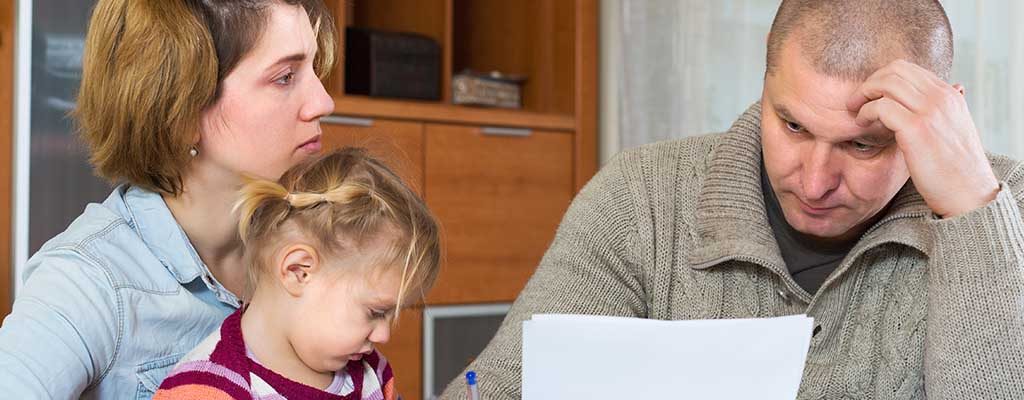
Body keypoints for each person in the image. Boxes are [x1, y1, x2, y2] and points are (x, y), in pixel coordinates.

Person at [441, 0, 1024, 398]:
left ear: (940, 112)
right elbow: (499, 387)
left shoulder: (1008, 206)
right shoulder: (643, 197)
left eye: (864, 146)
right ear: (766, 68)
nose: (815, 180)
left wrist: (973, 209)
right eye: (792, 126)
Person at [0, 0, 338, 398]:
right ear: (182, 108)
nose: (323, 102)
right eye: (285, 76)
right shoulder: (89, 284)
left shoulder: (315, 241)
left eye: (314, 69)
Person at [154, 148, 440, 399]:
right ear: (298, 271)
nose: (384, 335)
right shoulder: (207, 390)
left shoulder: (370, 374)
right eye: (376, 312)